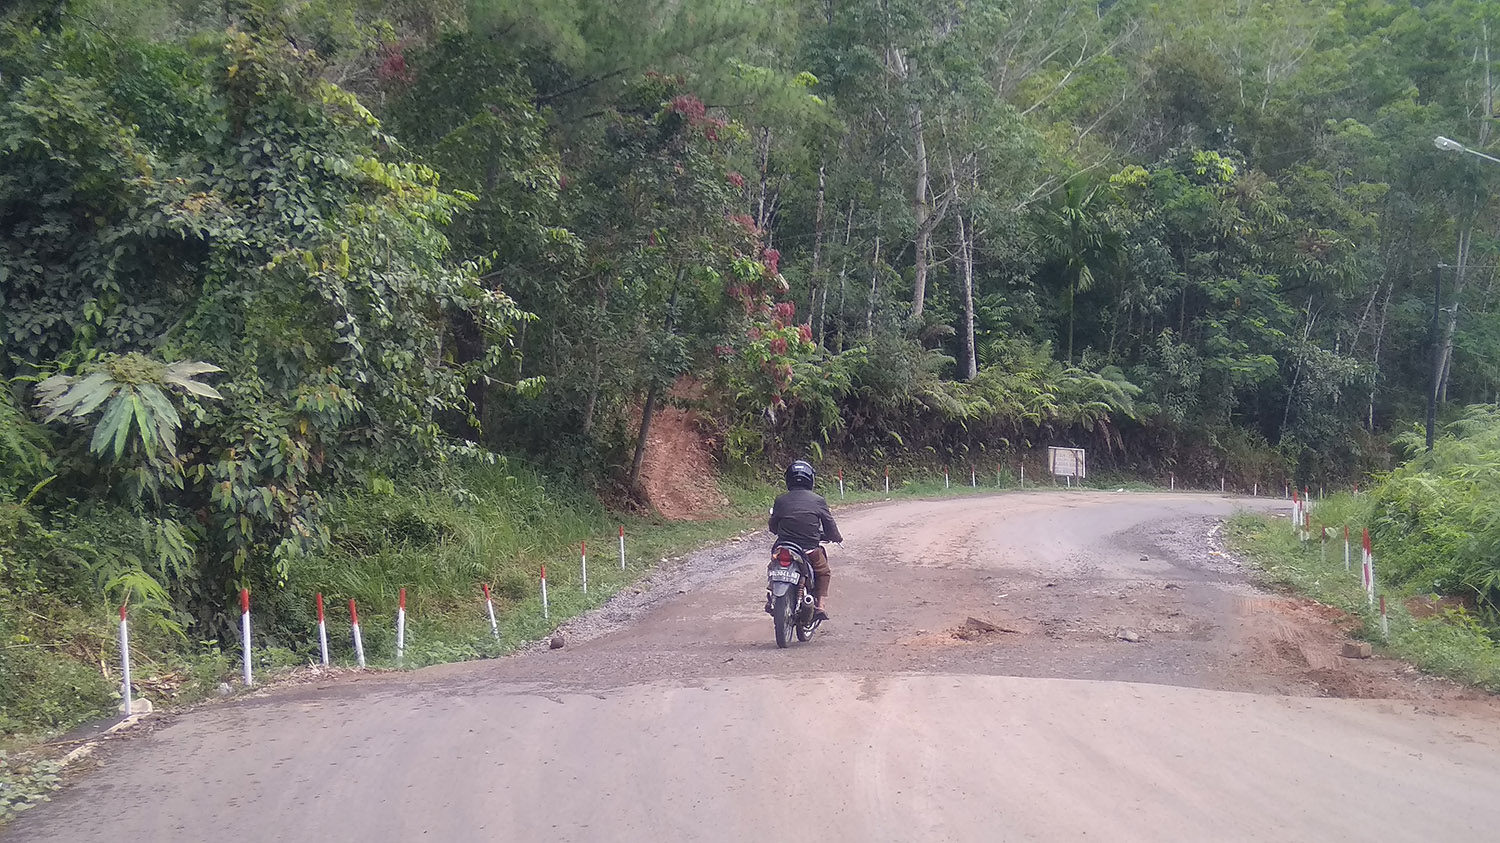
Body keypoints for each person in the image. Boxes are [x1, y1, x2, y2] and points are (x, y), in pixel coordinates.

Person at [768, 460, 842, 621]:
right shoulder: (818, 500)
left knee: (773, 564)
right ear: (811, 479)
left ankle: (772, 592)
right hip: (810, 550)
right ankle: (820, 606)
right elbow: (829, 524)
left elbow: (773, 526)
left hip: (783, 547)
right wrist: (835, 537)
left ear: (788, 479)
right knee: (823, 572)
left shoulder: (780, 500)